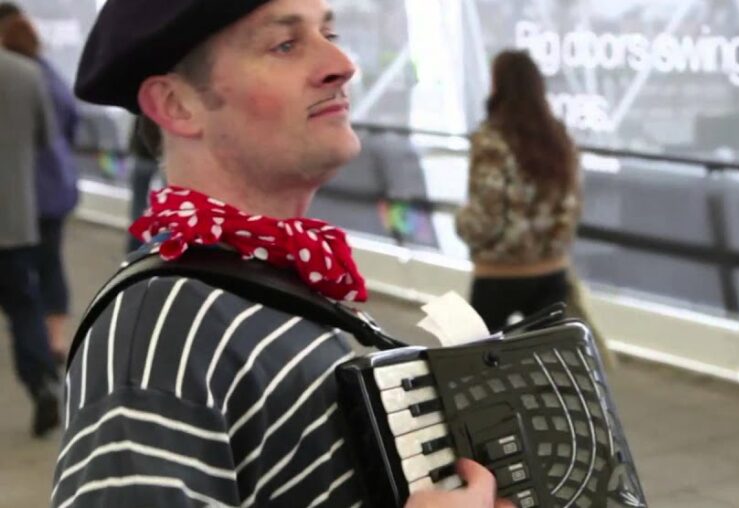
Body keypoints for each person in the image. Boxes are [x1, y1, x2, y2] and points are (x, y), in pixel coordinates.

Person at [54, 1, 510, 507]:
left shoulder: (263, 287)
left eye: (328, 31)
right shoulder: (160, 333)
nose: (342, 63)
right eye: (286, 44)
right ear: (178, 105)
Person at [456, 50, 583, 333]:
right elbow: (571, 204)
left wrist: (460, 223)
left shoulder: (492, 141)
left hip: (499, 274)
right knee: (546, 363)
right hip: (551, 272)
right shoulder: (558, 137)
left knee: (478, 362)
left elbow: (485, 216)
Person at [2, 10, 82, 363]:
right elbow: (63, 128)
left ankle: (38, 345)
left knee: (22, 277)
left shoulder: (20, 77)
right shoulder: (45, 74)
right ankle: (53, 340)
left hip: (27, 194)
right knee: (49, 265)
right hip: (55, 190)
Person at [0, 3, 61, 438]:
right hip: (15, 221)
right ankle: (42, 384)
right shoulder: (27, 73)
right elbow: (45, 138)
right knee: (24, 308)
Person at [125, 115, 162, 252]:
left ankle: (135, 248)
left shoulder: (142, 99)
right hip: (163, 155)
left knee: (138, 206)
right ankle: (160, 247)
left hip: (142, 154)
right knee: (167, 206)